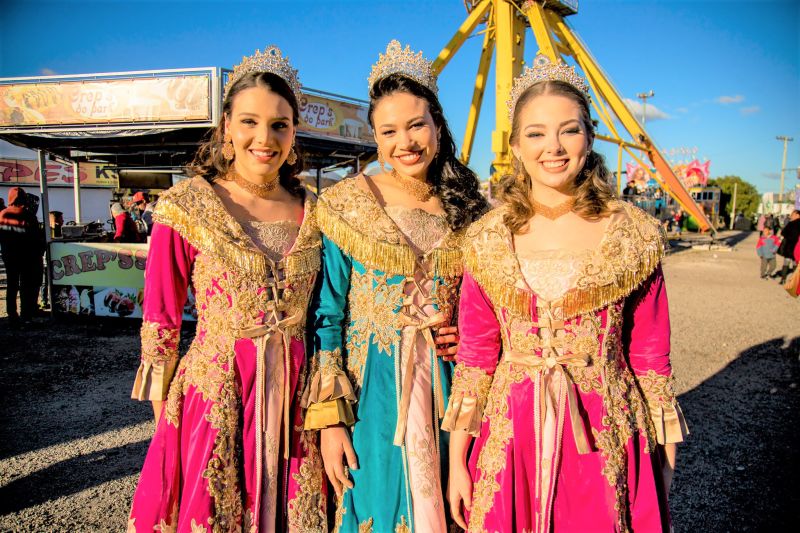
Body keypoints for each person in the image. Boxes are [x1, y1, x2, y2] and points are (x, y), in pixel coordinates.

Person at [443, 55, 688, 532]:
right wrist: (457, 462)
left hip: (605, 439)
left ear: (589, 138)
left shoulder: (632, 237)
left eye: (568, 130)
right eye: (535, 133)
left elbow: (651, 359)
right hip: (510, 439)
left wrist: (666, 461)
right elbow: (475, 360)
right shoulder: (487, 239)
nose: (552, 147)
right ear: (515, 146)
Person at [128, 45, 327, 532]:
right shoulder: (188, 206)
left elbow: (336, 304)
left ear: (294, 133)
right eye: (250, 122)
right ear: (227, 130)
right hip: (216, 394)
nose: (265, 138)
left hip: (298, 396)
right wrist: (169, 429)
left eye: (280, 124)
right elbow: (161, 321)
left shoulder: (319, 210)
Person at [303, 40, 488, 532]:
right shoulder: (347, 205)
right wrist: (331, 421)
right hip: (373, 398)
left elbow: (490, 307)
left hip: (452, 395)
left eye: (416, 125)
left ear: (438, 126)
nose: (404, 141)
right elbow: (327, 316)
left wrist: (467, 337)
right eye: (389, 131)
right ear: (375, 138)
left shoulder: (470, 209)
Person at [0, 187, 43, 326]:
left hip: (9, 256)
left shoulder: (2, 214)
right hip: (26, 257)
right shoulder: (28, 215)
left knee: (12, 285)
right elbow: (37, 237)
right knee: (26, 286)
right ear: (24, 198)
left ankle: (12, 315)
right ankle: (26, 316)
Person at [777, 209, 800, 284]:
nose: (791, 216)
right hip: (797, 247)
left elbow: (783, 233)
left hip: (790, 247)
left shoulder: (791, 224)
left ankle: (783, 279)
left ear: (797, 215)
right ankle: (795, 281)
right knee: (795, 264)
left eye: (792, 214)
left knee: (786, 263)